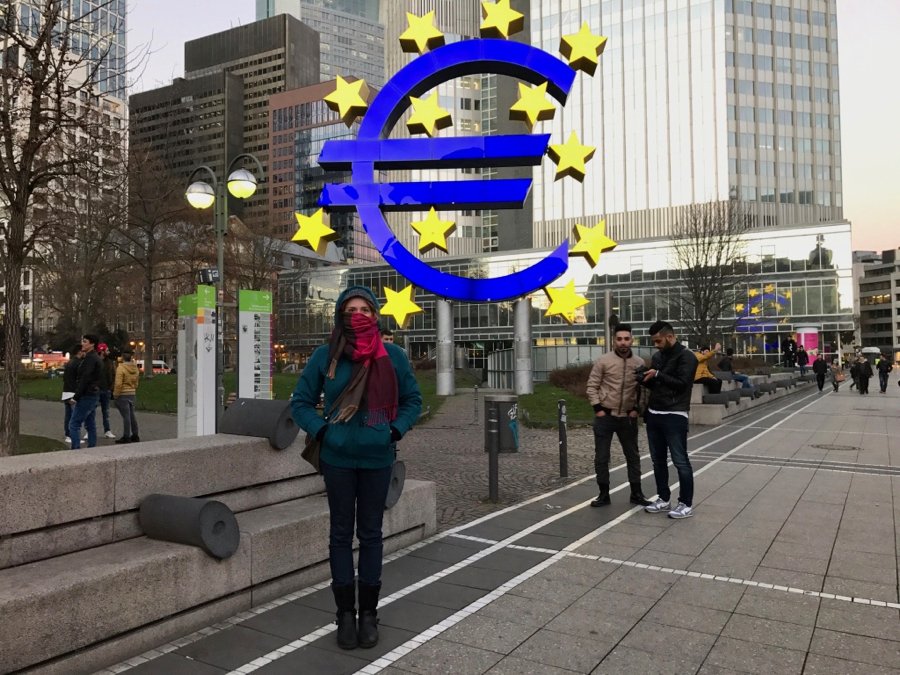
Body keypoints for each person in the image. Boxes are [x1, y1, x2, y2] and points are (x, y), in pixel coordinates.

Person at [291, 286, 422, 651]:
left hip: (378, 458)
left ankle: (369, 614)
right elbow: (300, 402)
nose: (358, 315)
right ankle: (345, 614)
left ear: (376, 316)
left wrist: (394, 429)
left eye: (365, 309)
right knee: (339, 535)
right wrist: (322, 432)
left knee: (371, 535)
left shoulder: (393, 356)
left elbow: (413, 400)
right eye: (351, 310)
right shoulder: (325, 356)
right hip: (338, 460)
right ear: (339, 315)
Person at [585, 323, 652, 508]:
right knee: (602, 457)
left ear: (632, 340)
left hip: (628, 418)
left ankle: (636, 493)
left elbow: (644, 389)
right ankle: (603, 494)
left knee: (633, 456)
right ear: (614, 340)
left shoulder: (639, 363)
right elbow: (592, 386)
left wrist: (637, 409)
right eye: (619, 339)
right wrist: (598, 408)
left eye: (626, 339)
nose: (623, 342)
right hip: (605, 416)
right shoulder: (604, 361)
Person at [640, 321, 699, 519]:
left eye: (658, 340)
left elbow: (682, 385)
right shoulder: (658, 356)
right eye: (654, 341)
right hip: (655, 413)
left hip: (675, 414)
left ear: (670, 336)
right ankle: (663, 499)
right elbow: (658, 385)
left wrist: (658, 374)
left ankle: (686, 503)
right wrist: (645, 379)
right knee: (658, 461)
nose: (656, 345)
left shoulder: (687, 357)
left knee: (680, 461)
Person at [68, 334, 102, 449]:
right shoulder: (94, 357)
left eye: (85, 341)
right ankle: (92, 446)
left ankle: (76, 448)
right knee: (90, 422)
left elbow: (85, 378)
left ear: (92, 344)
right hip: (92, 393)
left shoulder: (90, 359)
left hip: (87, 394)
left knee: (74, 424)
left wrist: (76, 397)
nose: (82, 343)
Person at [114, 350, 140, 443]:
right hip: (132, 393)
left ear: (122, 357)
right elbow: (136, 382)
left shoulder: (120, 368)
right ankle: (135, 434)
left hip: (123, 394)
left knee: (126, 416)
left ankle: (126, 436)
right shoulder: (135, 368)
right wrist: (133, 388)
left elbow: (118, 384)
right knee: (132, 415)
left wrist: (116, 395)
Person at [95, 343, 118, 439]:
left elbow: (113, 375)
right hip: (95, 390)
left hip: (106, 390)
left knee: (106, 412)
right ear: (102, 351)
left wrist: (111, 388)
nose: (108, 352)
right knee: (92, 411)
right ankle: (90, 430)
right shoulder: (95, 362)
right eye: (107, 350)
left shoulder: (110, 362)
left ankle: (107, 430)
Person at [61, 347, 83, 445]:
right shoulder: (78, 364)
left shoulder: (69, 363)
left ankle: (68, 434)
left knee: (68, 415)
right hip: (73, 392)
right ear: (79, 352)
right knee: (75, 416)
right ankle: (74, 436)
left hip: (67, 391)